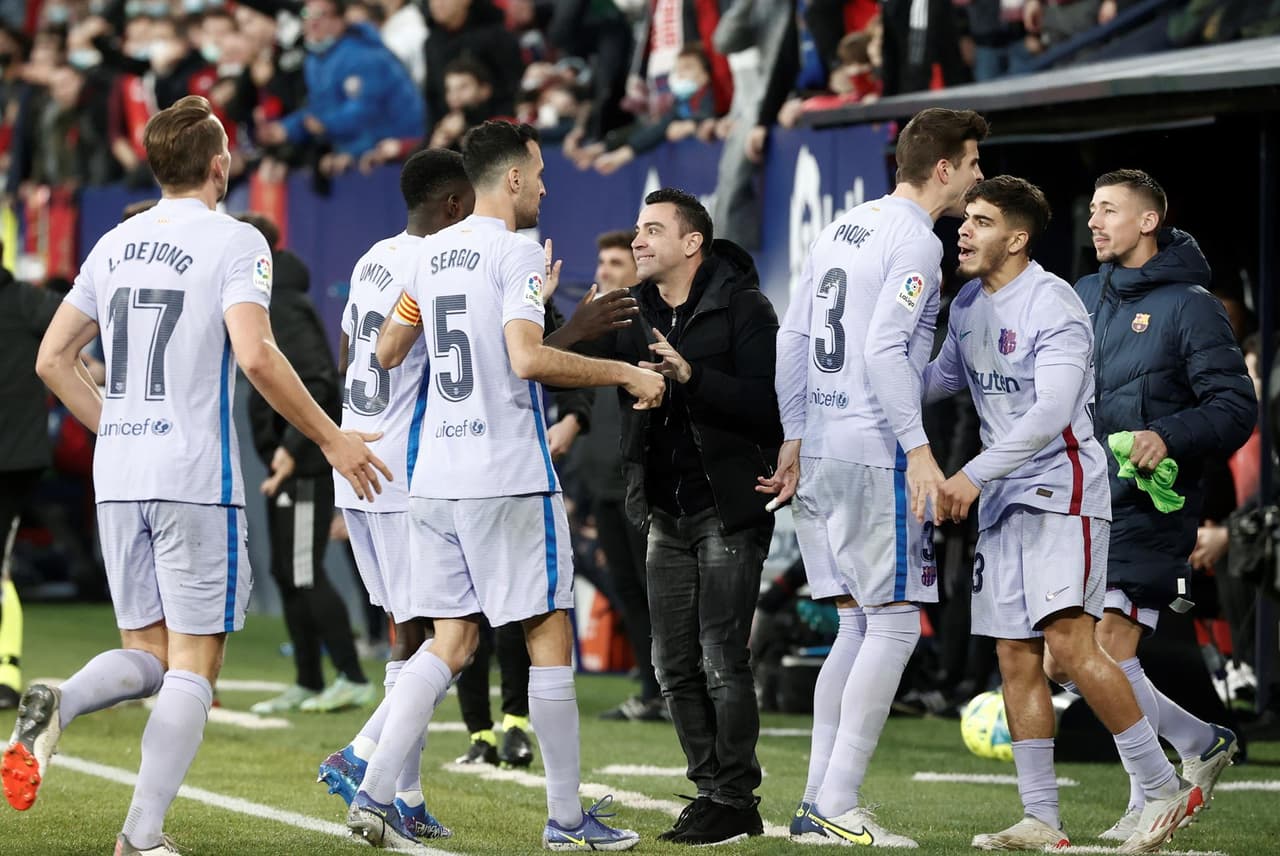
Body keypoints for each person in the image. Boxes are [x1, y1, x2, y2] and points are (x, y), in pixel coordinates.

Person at [2, 95, 387, 855]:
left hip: (119, 476)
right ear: (222, 165)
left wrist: (117, 427)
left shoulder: (115, 242)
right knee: (196, 664)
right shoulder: (237, 240)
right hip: (191, 475)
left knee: (148, 655)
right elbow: (255, 354)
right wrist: (334, 438)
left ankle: (62, 698)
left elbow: (53, 358)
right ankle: (140, 835)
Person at [341, 120, 661, 851]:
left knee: (449, 640)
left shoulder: (428, 254)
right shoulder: (514, 250)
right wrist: (623, 370)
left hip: (433, 481)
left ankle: (375, 790)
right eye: (541, 173)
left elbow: (388, 350)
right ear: (511, 178)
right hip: (505, 474)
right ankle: (567, 820)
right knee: (548, 632)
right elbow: (525, 359)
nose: (547, 186)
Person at [925, 175, 1202, 852]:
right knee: (1015, 660)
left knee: (1072, 646)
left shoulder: (1053, 303)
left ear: (1016, 238)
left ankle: (1163, 787)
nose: (964, 230)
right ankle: (1042, 821)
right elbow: (935, 382)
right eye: (966, 219)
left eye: (981, 222)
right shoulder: (966, 303)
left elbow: (1050, 416)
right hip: (1003, 500)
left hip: (1063, 493)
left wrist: (970, 473)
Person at [762, 106, 987, 848]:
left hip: (823, 443)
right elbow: (889, 352)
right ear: (945, 168)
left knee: (857, 623)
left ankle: (816, 803)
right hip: (872, 448)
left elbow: (793, 334)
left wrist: (795, 433)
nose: (980, 175)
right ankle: (837, 800)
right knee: (892, 622)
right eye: (974, 162)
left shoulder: (844, 224)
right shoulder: (917, 242)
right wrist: (920, 450)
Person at [573, 188, 782, 846]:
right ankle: (710, 790)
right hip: (665, 506)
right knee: (671, 663)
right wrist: (574, 328)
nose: (637, 241)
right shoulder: (632, 312)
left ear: (691, 243)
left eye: (652, 230)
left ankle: (735, 796)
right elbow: (551, 366)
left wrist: (692, 377)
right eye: (637, 229)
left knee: (722, 656)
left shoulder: (745, 306)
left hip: (726, 507)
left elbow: (767, 408)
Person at [1055, 169, 1256, 841]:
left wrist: (1165, 433)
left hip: (1150, 504)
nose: (1094, 220)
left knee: (1106, 650)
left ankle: (1157, 793)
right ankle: (1199, 743)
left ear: (1148, 221)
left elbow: (1235, 407)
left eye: (1109, 209)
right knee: (1069, 659)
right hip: (1080, 498)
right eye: (1092, 210)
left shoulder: (1191, 305)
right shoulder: (1082, 294)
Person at [314, 147, 474, 840]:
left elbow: (351, 351)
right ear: (454, 205)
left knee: (408, 637)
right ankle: (359, 755)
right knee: (448, 635)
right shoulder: (438, 265)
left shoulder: (373, 256)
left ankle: (405, 795)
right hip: (403, 471)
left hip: (357, 460)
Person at [239, 213, 376, 716]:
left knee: (303, 570)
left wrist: (291, 451)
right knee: (285, 570)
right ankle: (308, 680)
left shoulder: (284, 306)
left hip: (305, 466)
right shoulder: (266, 301)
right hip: (287, 463)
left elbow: (319, 385)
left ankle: (353, 677)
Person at [579, 231, 664, 722]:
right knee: (629, 590)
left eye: (616, 262)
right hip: (603, 482)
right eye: (602, 261)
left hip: (637, 478)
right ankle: (651, 689)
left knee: (657, 589)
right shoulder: (600, 325)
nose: (606, 269)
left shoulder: (645, 323)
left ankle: (674, 687)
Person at [0, 255, 66, 709]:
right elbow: (79, 320)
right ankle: (4, 672)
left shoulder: (25, 301)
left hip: (11, 459)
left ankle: (5, 671)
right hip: (16, 456)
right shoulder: (27, 301)